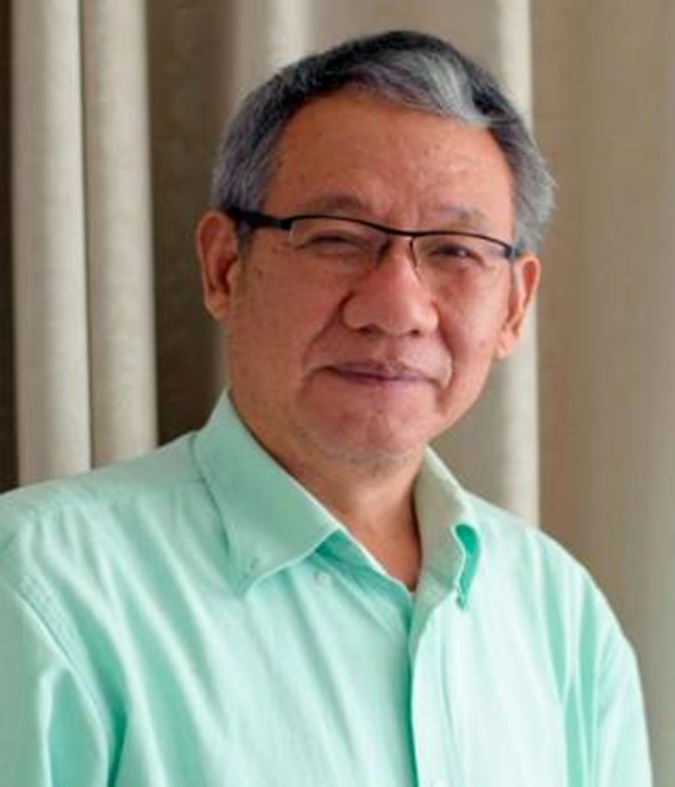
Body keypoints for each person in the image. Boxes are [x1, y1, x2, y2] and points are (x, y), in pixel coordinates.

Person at [0, 30, 651, 787]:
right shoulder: (39, 585)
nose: (397, 309)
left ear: (513, 305)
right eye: (337, 239)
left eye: (454, 250)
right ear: (224, 267)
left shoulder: (562, 616)